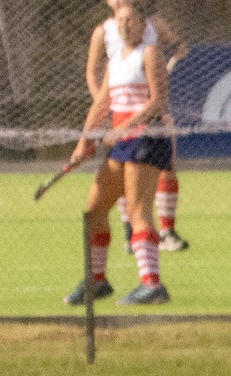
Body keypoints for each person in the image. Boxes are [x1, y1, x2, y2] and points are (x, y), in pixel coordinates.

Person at [66, 0, 173, 306]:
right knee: (94, 210)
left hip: (146, 139)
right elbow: (101, 103)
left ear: (143, 25)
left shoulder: (150, 53)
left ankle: (152, 285)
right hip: (123, 142)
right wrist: (84, 142)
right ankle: (97, 281)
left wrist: (125, 127)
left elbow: (158, 102)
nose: (125, 26)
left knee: (138, 211)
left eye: (132, 21)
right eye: (120, 22)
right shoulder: (115, 61)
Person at [94, 0, 188, 255]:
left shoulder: (154, 25)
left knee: (167, 166)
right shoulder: (103, 31)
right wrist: (104, 104)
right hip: (120, 110)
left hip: (150, 114)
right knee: (123, 178)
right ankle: (130, 234)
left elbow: (180, 48)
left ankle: (167, 231)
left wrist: (174, 54)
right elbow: (93, 73)